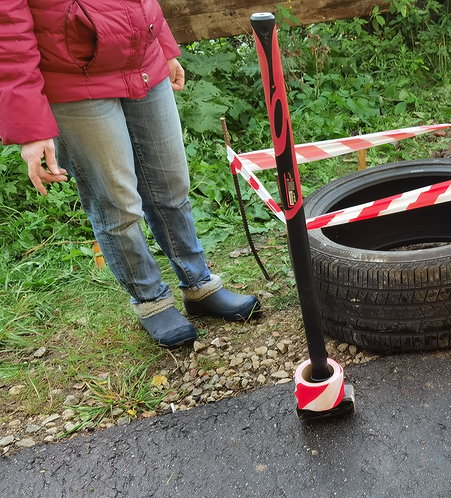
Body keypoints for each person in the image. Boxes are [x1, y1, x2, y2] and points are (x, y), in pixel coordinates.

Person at [0, 0, 261, 348]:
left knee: (171, 187)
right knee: (117, 204)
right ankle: (151, 301)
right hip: (73, 81)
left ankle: (199, 286)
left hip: (144, 64)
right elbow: (10, 34)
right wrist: (31, 127)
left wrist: (164, 47)